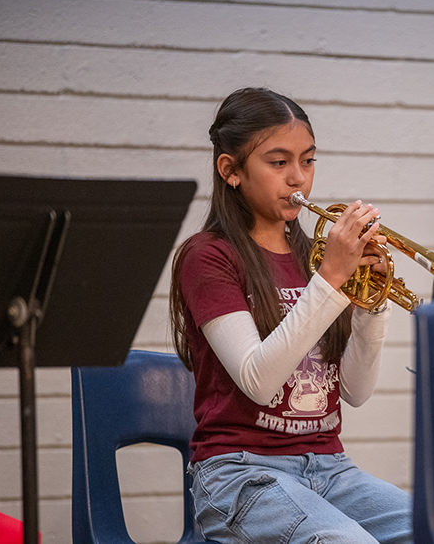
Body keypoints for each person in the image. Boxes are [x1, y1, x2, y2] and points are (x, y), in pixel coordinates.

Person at [169, 87, 412, 544]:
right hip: (241, 475)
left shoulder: (314, 257)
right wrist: (332, 279)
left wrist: (372, 301)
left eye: (309, 160)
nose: (298, 178)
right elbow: (258, 381)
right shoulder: (209, 257)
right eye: (278, 163)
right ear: (231, 171)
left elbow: (355, 392)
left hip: (330, 469)